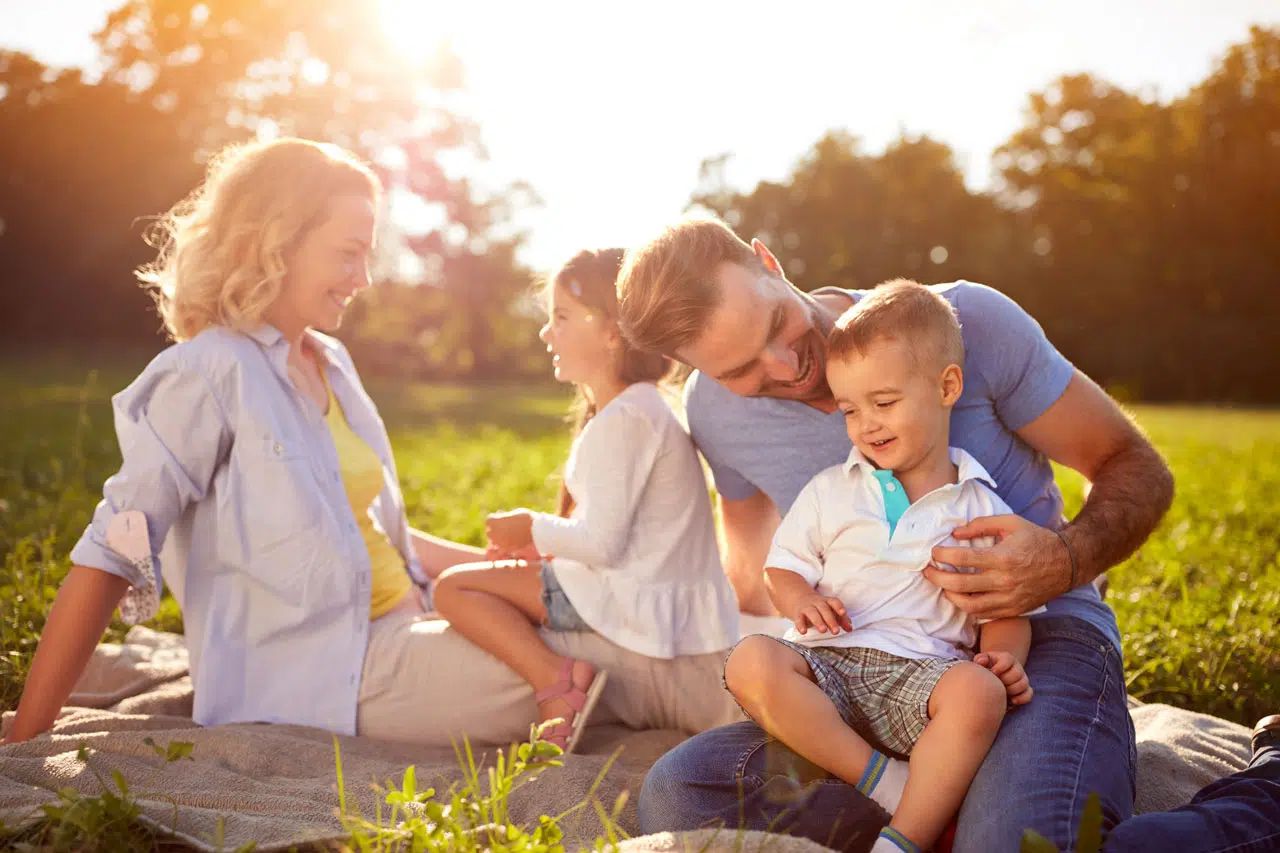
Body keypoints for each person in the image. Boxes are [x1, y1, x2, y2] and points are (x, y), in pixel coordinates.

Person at [1, 141, 741, 749]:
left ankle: (777, 677)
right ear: (277, 244)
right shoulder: (207, 373)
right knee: (601, 657)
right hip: (334, 670)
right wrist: (30, 732)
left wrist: (514, 563)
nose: (365, 277)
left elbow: (373, 537)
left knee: (600, 625)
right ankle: (767, 698)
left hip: (404, 622)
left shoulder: (332, 364)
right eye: (348, 253)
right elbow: (114, 549)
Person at [615, 215, 1174, 851]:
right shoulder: (714, 412)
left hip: (1032, 641)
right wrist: (775, 673)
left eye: (776, 325)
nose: (786, 366)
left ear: (768, 262)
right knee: (681, 793)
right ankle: (923, 809)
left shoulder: (964, 324)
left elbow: (1136, 467)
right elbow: (751, 572)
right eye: (741, 370)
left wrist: (1065, 559)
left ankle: (960, 812)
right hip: (858, 663)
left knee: (1018, 843)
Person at [725, 281, 1043, 853]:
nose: (867, 424)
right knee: (750, 659)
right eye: (850, 410)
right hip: (827, 669)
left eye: (884, 403)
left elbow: (1007, 609)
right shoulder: (831, 490)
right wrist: (800, 602)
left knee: (980, 695)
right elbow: (783, 569)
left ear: (947, 386)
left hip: (919, 680)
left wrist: (1005, 657)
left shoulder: (981, 505)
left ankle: (903, 840)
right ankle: (888, 783)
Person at [432, 249, 739, 753]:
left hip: (622, 599)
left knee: (453, 591)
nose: (546, 333)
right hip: (636, 591)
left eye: (562, 317)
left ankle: (556, 680)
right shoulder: (640, 409)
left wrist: (529, 527)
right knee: (483, 581)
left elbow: (603, 543)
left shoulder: (625, 420)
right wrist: (547, 546)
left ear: (611, 330)